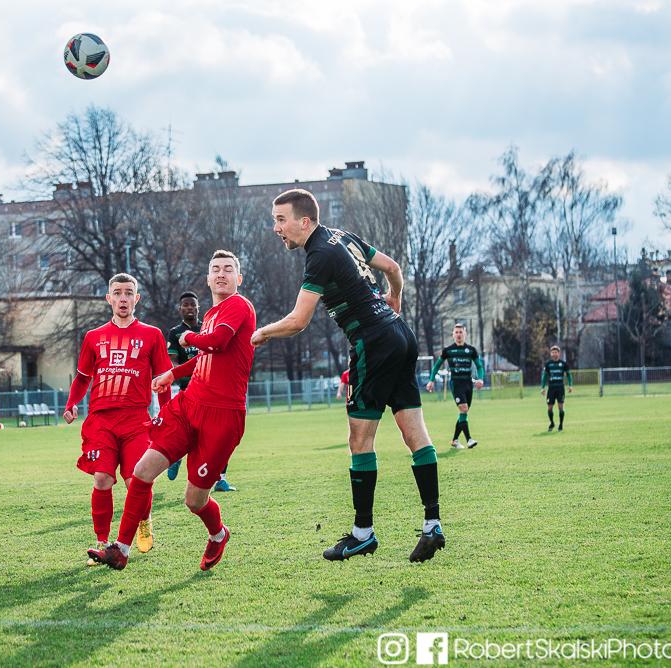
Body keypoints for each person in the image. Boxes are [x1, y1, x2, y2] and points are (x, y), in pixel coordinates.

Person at [251, 189, 445, 563]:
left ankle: (363, 534)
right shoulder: (344, 238)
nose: (276, 228)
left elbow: (298, 321)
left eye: (280, 219)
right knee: (414, 434)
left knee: (360, 440)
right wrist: (396, 297)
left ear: (304, 221)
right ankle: (432, 523)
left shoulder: (319, 255)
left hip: (373, 343)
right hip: (401, 335)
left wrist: (261, 333)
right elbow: (393, 269)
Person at [93, 250, 256, 572]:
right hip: (189, 406)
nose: (221, 274)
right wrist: (174, 374)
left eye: (228, 270)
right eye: (215, 269)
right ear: (208, 278)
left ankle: (218, 534)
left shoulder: (239, 306)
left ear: (239, 278)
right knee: (141, 472)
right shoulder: (212, 313)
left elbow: (218, 342)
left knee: (194, 500)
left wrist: (187, 337)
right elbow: (207, 356)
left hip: (223, 416)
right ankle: (121, 549)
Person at [63, 273, 173, 564]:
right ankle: (102, 542)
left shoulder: (152, 335)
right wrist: (72, 404)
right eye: (117, 293)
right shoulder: (93, 337)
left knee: (136, 480)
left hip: (136, 420)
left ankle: (144, 521)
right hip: (101, 420)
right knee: (101, 478)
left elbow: (163, 379)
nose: (123, 298)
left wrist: (167, 413)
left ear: (136, 299)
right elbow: (83, 377)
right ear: (108, 298)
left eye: (128, 293)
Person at [165, 291, 237, 492]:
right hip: (188, 391)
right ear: (180, 309)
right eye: (185, 305)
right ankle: (177, 456)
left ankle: (221, 479)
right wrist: (185, 374)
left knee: (219, 435)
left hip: (212, 391)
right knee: (189, 434)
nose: (189, 308)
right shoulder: (175, 332)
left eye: (192, 305)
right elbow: (173, 361)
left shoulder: (207, 329)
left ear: (198, 308)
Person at [426, 324, 484, 449]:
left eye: (461, 332)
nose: (458, 334)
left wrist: (480, 379)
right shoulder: (448, 350)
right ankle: (469, 440)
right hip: (456, 384)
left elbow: (479, 366)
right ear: (453, 334)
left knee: (464, 412)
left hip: (468, 384)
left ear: (465, 334)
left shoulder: (471, 350)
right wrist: (431, 381)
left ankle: (454, 440)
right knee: (463, 409)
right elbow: (436, 366)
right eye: (456, 332)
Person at [541, 345, 573, 432]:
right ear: (551, 354)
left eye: (556, 352)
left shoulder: (563, 364)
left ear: (559, 353)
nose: (554, 354)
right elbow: (544, 376)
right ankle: (552, 423)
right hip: (551, 389)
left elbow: (569, 375)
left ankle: (561, 425)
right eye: (553, 352)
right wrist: (543, 388)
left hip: (560, 388)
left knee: (560, 407)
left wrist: (570, 385)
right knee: (549, 408)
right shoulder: (548, 364)